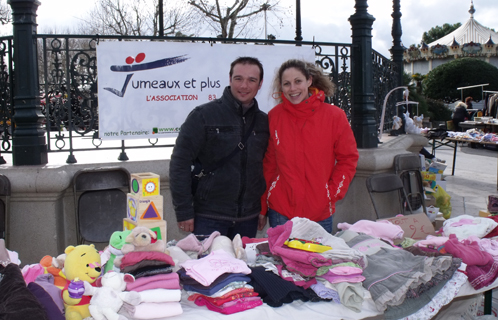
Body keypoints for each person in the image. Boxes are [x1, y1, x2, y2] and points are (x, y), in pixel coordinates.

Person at [169, 57, 269, 239]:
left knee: (244, 267)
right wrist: (184, 211)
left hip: (249, 218)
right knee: (206, 267)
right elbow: (179, 163)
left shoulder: (264, 121)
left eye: (251, 80)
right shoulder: (203, 115)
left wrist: (263, 208)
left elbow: (267, 167)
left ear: (260, 84)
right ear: (229, 79)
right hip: (209, 216)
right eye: (239, 78)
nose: (244, 85)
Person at [260, 59, 359, 233]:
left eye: (298, 81)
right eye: (287, 84)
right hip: (281, 211)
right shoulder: (274, 117)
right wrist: (262, 206)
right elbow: (269, 165)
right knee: (282, 260)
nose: (293, 88)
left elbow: (348, 159)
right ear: (281, 87)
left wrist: (330, 195)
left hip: (319, 214)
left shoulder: (334, 116)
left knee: (318, 260)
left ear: (309, 81)